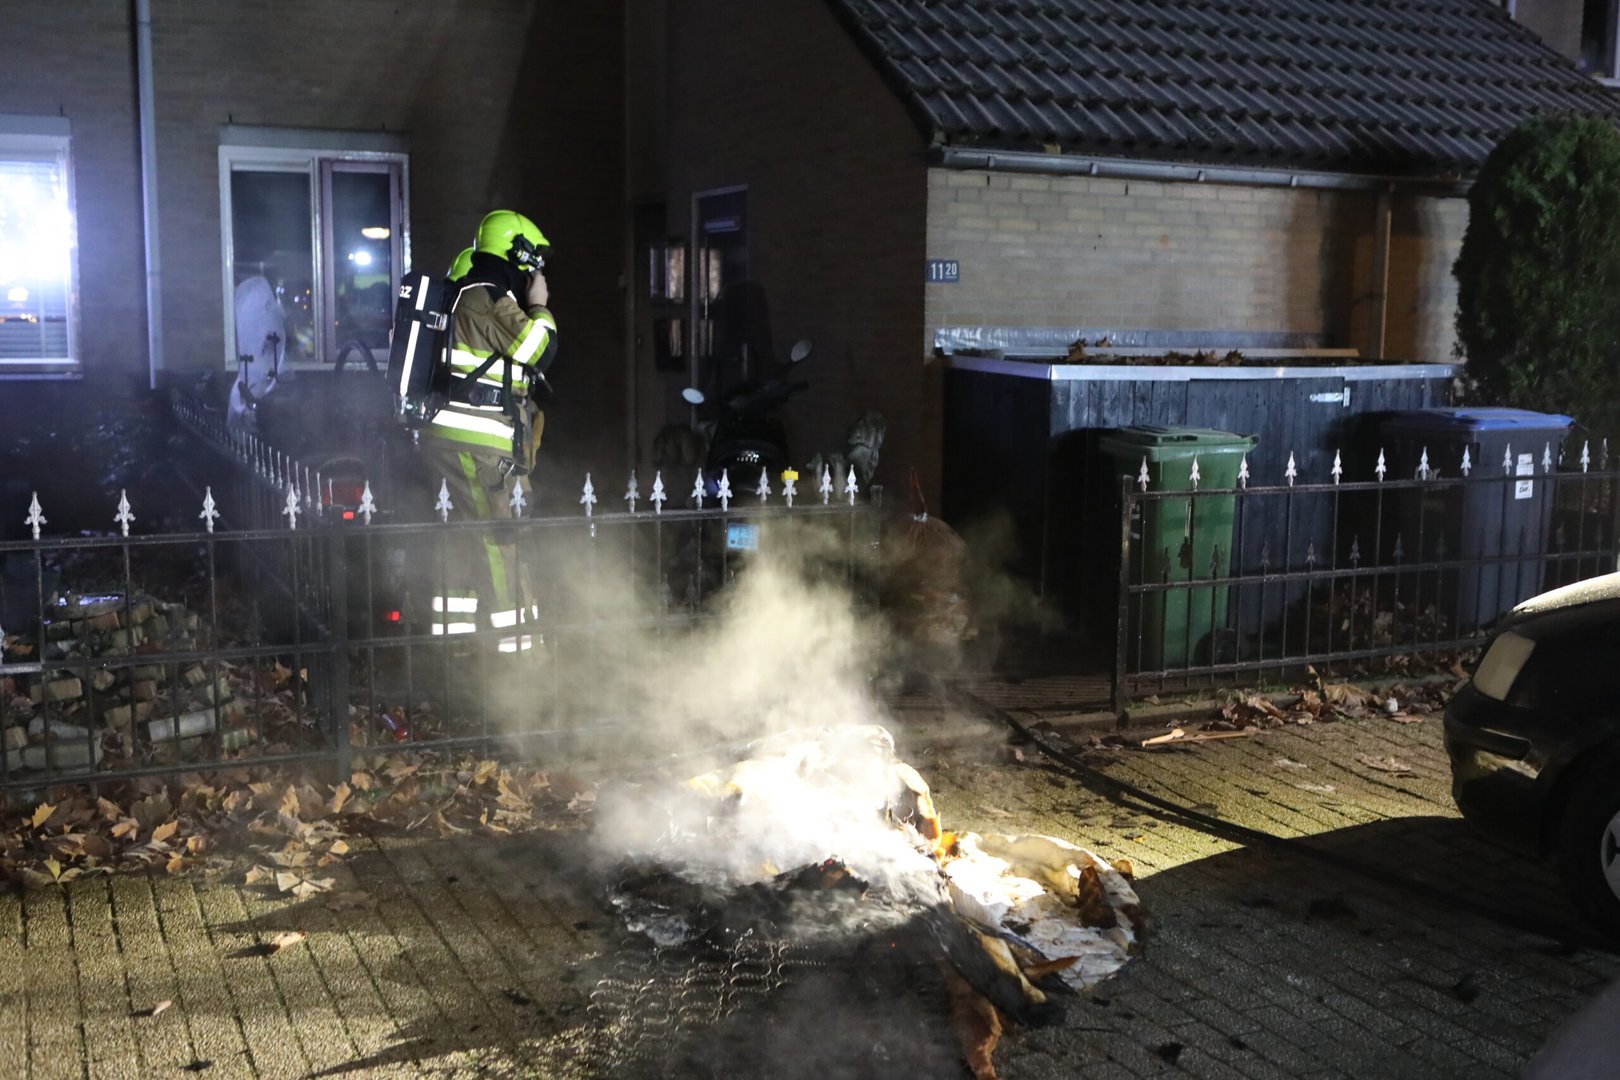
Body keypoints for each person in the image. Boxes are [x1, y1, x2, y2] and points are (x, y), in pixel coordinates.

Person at [423, 211, 558, 652]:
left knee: (462, 534)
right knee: (502, 537)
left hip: (454, 439)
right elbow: (540, 348)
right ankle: (518, 654)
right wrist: (539, 304)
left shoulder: (458, 292)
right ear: (512, 253)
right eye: (530, 265)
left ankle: (455, 649)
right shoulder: (486, 297)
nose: (532, 274)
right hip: (476, 443)